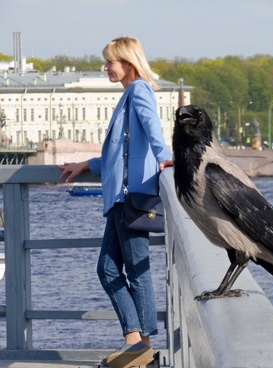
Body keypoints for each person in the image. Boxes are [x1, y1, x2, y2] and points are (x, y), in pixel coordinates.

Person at [59, 36, 173, 368]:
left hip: (132, 197)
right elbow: (121, 150)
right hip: (122, 197)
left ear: (128, 63)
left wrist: (167, 157)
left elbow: (153, 130)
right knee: (108, 269)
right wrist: (88, 165)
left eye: (110, 61)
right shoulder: (129, 94)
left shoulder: (138, 91)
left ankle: (143, 347)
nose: (106, 67)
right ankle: (136, 342)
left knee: (137, 272)